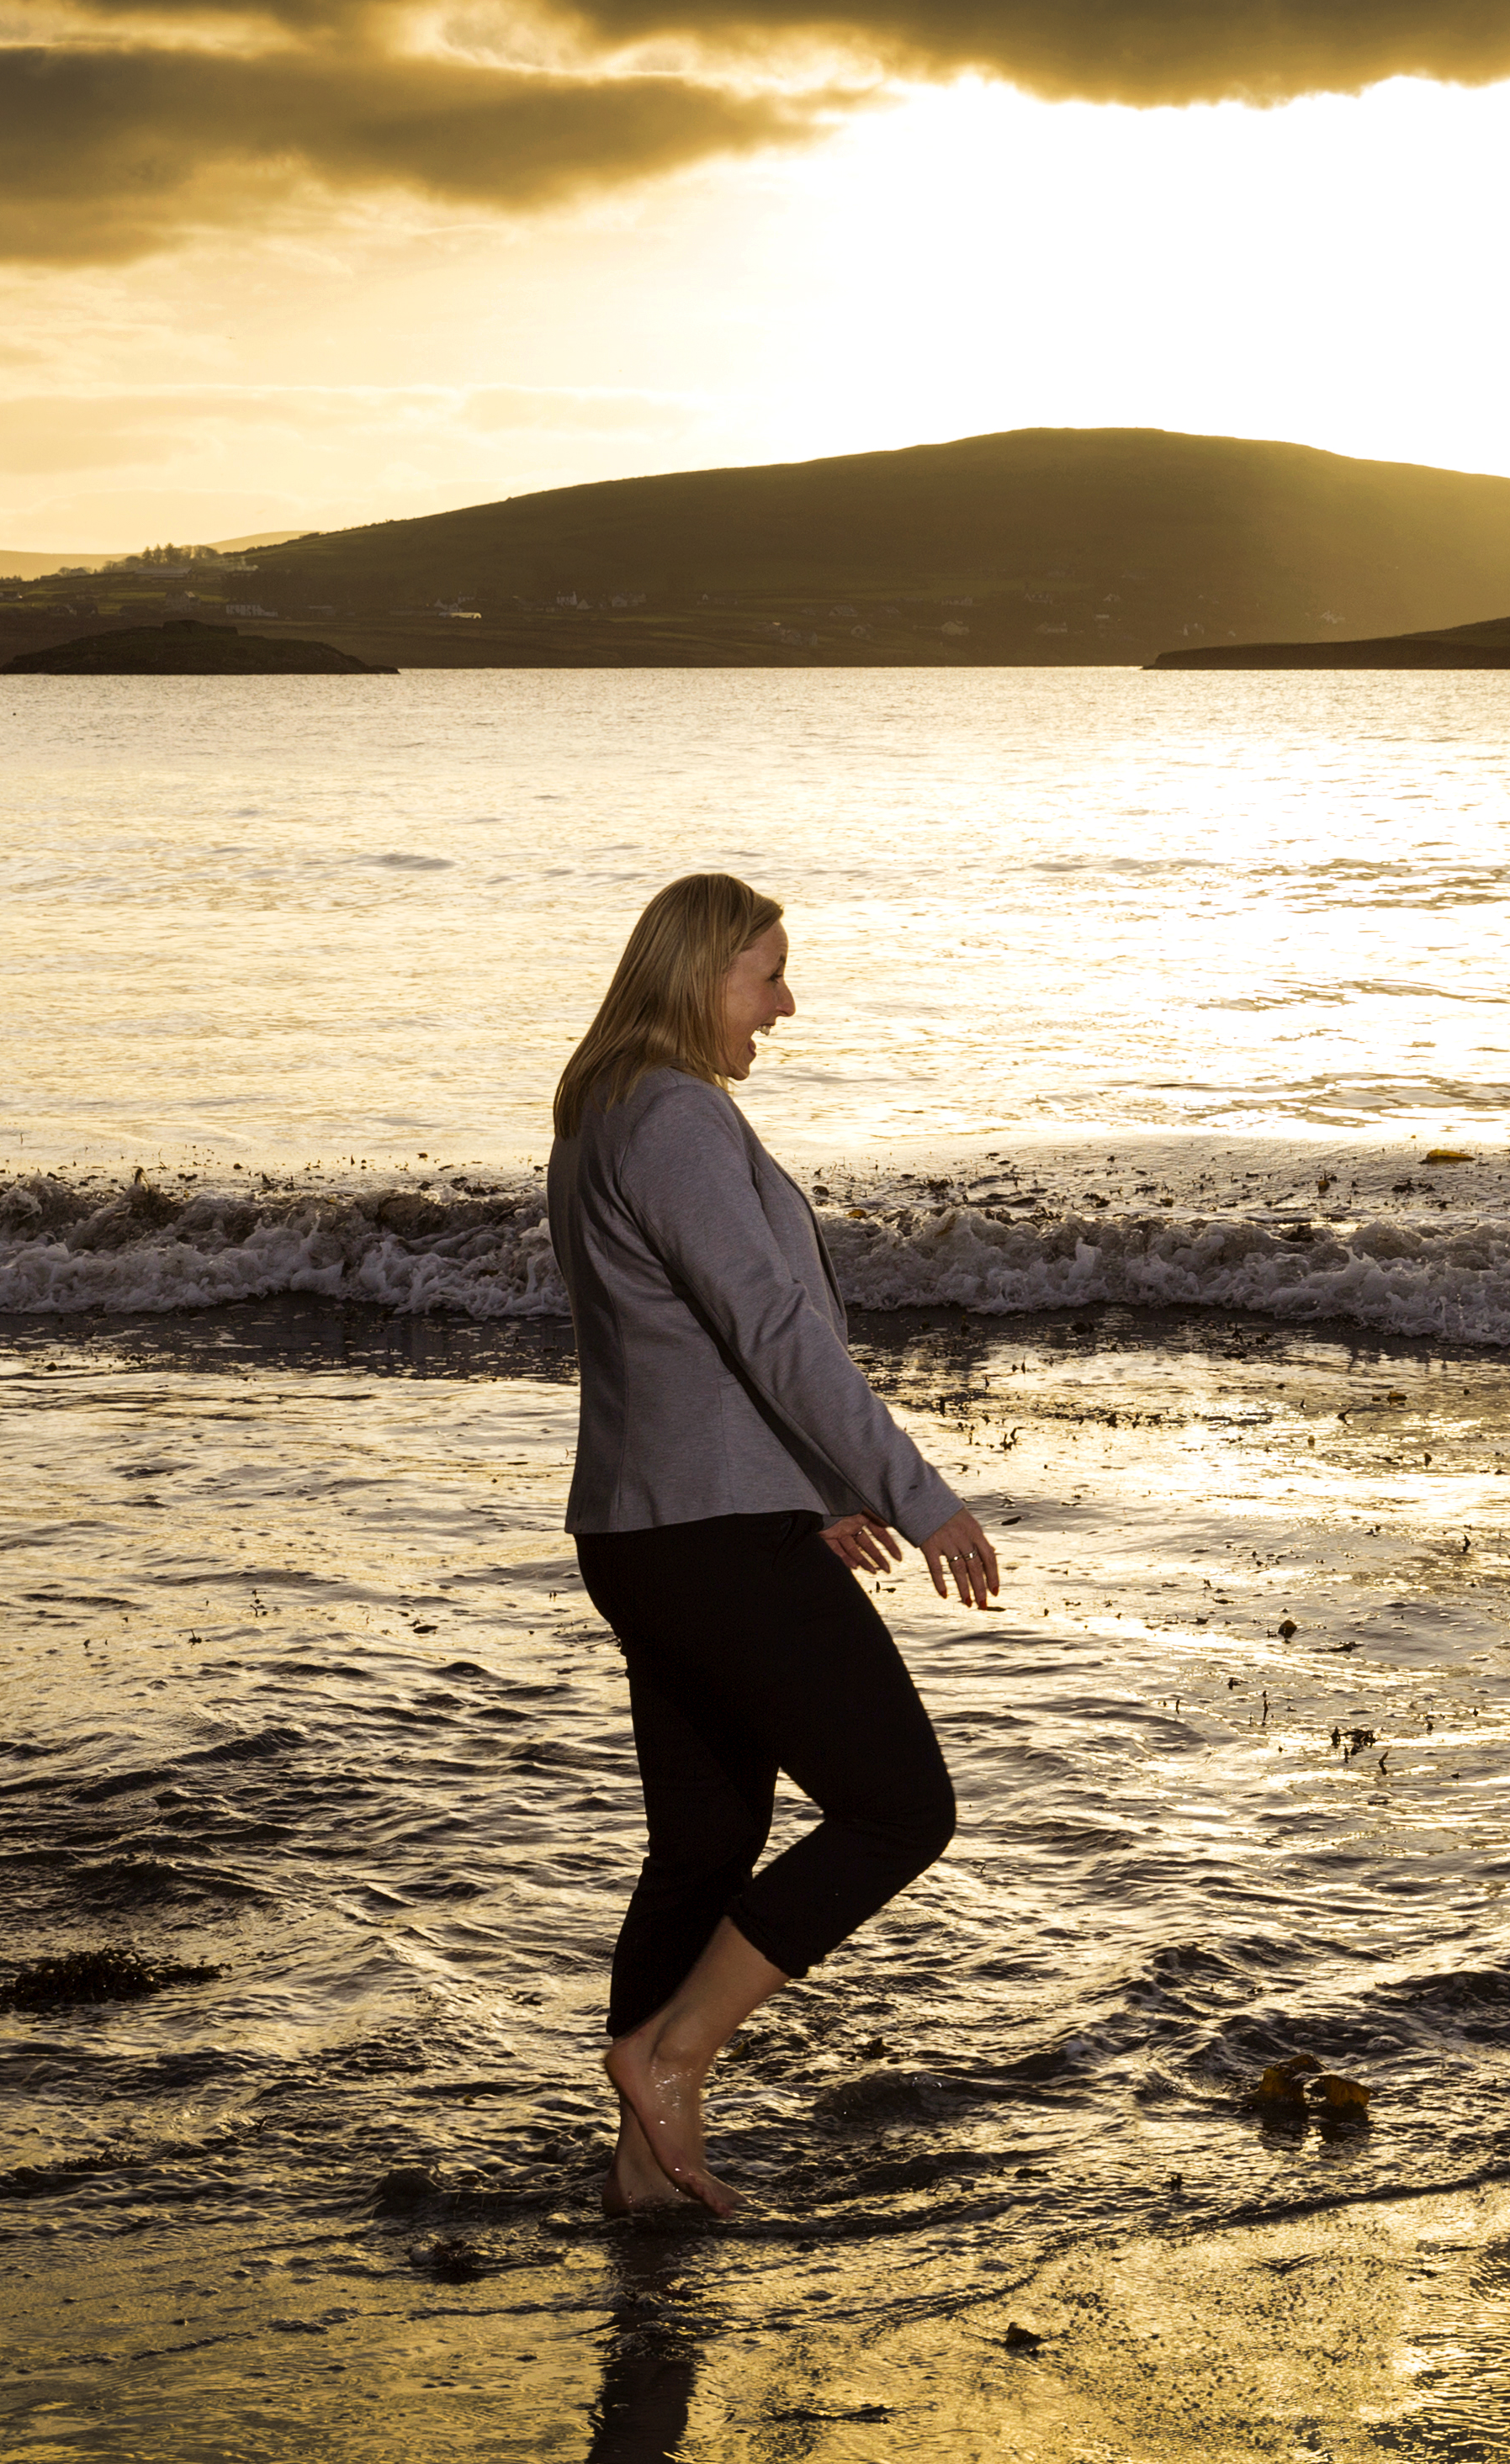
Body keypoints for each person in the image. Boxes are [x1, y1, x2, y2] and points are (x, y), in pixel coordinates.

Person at [548, 872, 1004, 2217]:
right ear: (698, 975)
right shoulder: (678, 1116)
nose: (785, 1003)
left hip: (648, 1529)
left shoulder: (604, 1111)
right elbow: (772, 1333)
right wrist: (914, 1490)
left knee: (704, 1844)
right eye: (767, 972)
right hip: (708, 1540)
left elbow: (673, 1347)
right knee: (900, 1808)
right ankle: (674, 2053)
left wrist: (807, 1486)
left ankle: (645, 2172)